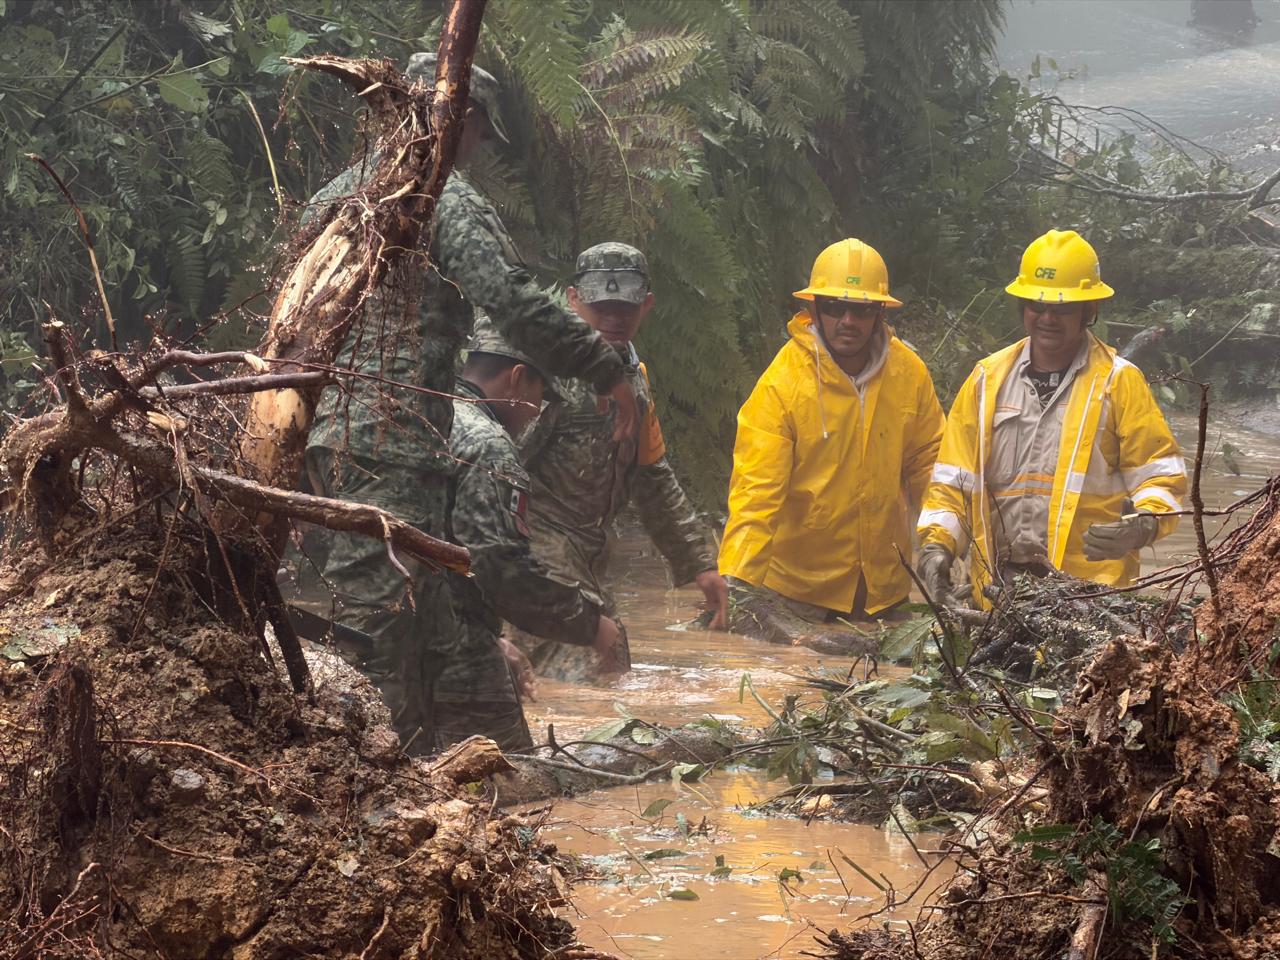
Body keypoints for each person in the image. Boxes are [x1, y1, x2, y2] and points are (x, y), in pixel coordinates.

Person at [302, 53, 638, 754]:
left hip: (325, 440)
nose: (479, 152)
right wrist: (604, 367)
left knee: (420, 615)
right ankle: (371, 787)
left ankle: (456, 765)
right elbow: (511, 300)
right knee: (386, 626)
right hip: (392, 443)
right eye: (480, 137)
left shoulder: (332, 198)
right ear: (463, 121)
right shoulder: (440, 198)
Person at [917, 229, 1187, 607]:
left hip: (1090, 593)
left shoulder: (1118, 382)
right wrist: (937, 546)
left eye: (1061, 308)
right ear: (1022, 307)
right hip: (998, 589)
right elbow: (953, 484)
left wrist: (1143, 525)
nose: (1047, 317)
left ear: (1088, 311)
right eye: (1036, 305)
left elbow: (1161, 477)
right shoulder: (987, 380)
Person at [516, 243, 727, 682]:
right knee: (580, 673)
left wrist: (699, 564)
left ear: (646, 304)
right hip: (537, 550)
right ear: (574, 299)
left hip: (590, 552)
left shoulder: (636, 378)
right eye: (602, 306)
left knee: (617, 664)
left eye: (625, 307)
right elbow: (495, 464)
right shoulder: (546, 371)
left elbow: (653, 478)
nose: (614, 318)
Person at [718, 238, 946, 624]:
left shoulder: (909, 374)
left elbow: (932, 467)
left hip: (884, 593)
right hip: (798, 594)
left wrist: (939, 545)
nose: (848, 321)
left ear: (879, 313)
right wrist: (738, 583)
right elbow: (755, 493)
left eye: (860, 309)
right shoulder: (782, 383)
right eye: (835, 307)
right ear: (814, 309)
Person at [433, 318, 628, 751]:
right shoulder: (487, 444)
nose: (536, 412)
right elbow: (501, 571)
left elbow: (442, 561)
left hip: (382, 640)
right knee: (515, 787)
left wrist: (494, 637)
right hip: (451, 657)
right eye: (540, 397)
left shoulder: (424, 417)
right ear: (518, 379)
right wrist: (589, 624)